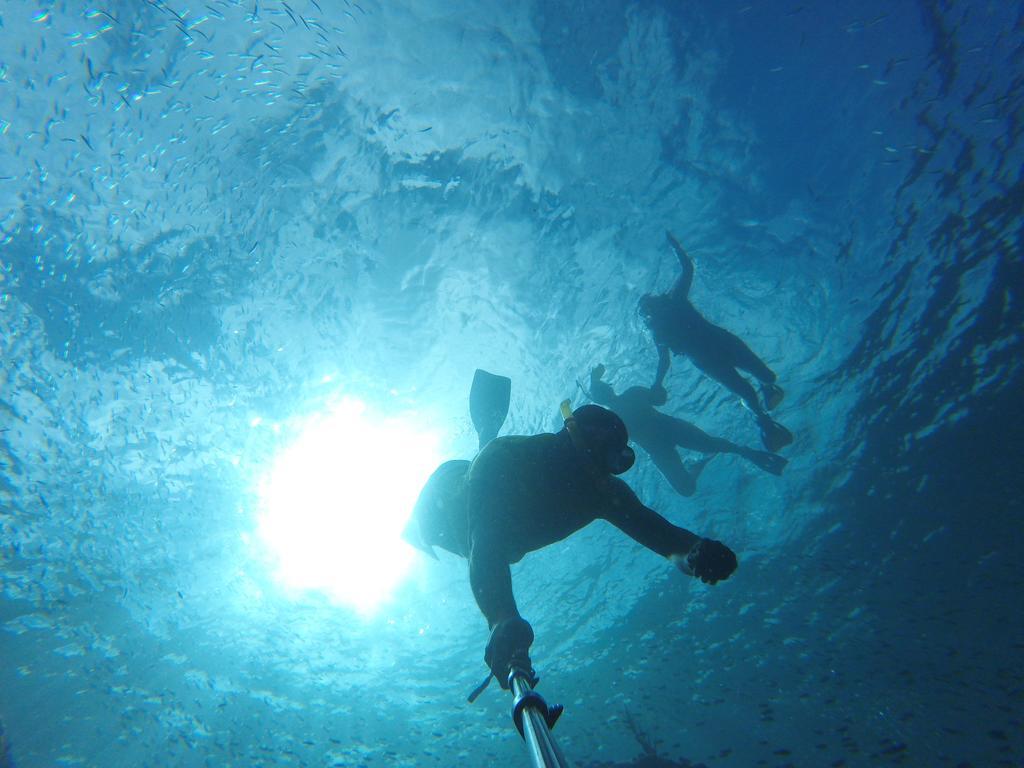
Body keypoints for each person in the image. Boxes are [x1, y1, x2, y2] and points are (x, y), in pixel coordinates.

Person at [403, 399, 738, 694]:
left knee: (490, 496)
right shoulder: (506, 457)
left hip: (494, 525)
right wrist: (501, 618)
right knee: (477, 475)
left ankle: (483, 436)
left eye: (620, 458)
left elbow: (658, 533)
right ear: (574, 433)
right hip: (442, 505)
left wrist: (695, 551)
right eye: (604, 446)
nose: (607, 465)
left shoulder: (602, 493)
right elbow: (485, 544)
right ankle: (482, 437)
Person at [639, 231, 793, 452]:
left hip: (720, 343)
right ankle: (765, 424)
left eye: (651, 304)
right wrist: (657, 383)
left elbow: (687, 270)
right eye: (648, 309)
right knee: (746, 392)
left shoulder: (675, 301)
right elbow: (663, 361)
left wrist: (677, 248)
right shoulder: (660, 331)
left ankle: (766, 391)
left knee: (766, 376)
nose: (652, 309)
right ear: (648, 315)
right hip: (710, 361)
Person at [588, 364, 786, 496]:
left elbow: (659, 399)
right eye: (602, 389)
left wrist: (657, 390)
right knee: (687, 486)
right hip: (662, 442)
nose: (605, 390)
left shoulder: (616, 413)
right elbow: (660, 399)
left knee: (707, 451)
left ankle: (744, 452)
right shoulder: (618, 411)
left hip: (666, 434)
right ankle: (719, 459)